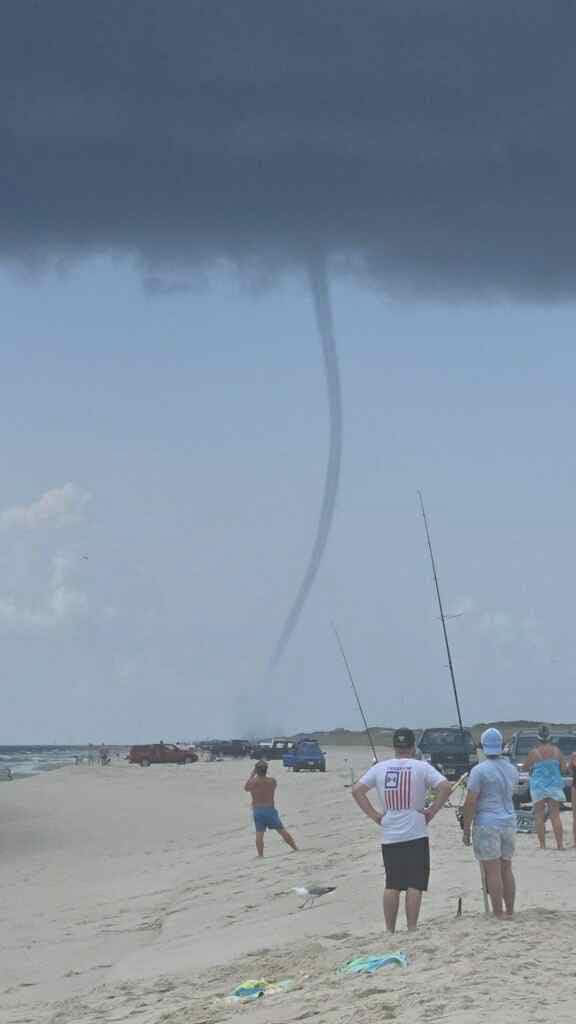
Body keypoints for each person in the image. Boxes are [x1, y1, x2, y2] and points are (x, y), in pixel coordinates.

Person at [351, 727, 451, 933]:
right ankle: (412, 927)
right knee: (415, 883)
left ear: (395, 747)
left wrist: (375, 815)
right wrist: (432, 810)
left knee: (392, 883)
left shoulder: (380, 768)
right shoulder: (421, 766)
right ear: (413, 747)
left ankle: (390, 929)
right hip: (416, 830)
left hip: (390, 833)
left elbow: (357, 790)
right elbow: (445, 786)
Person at [461, 728, 519, 918]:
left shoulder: (479, 770)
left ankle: (498, 913)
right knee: (506, 868)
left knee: (492, 871)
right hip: (508, 822)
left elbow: (471, 801)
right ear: (501, 746)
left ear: (484, 748)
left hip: (487, 823)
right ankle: (509, 910)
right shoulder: (511, 769)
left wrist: (466, 828)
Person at [522, 725, 567, 850]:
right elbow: (563, 769)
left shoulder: (533, 752)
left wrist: (533, 768)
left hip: (538, 786)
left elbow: (525, 768)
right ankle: (560, 845)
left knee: (539, 816)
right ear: (550, 738)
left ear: (538, 738)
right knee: (555, 816)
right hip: (554, 785)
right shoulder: (557, 751)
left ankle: (542, 845)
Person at [244, 761, 298, 857]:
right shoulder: (272, 781)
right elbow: (270, 786)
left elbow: (246, 788)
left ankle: (260, 855)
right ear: (266, 770)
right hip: (270, 809)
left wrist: (252, 775)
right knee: (281, 830)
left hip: (258, 810)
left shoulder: (253, 782)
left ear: (256, 770)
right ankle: (295, 848)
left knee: (259, 833)